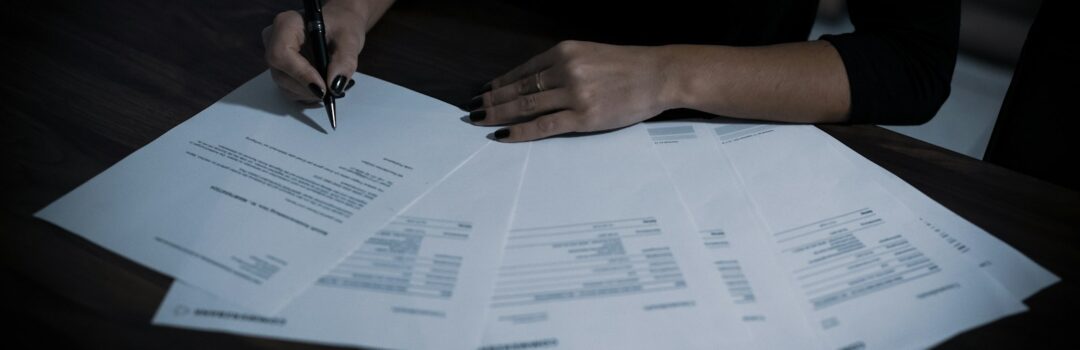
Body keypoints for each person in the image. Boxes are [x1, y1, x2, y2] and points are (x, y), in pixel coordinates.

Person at [263, 0, 960, 142]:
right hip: (469, 54)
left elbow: (914, 64)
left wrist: (669, 75)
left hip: (712, 116)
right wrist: (349, 5)